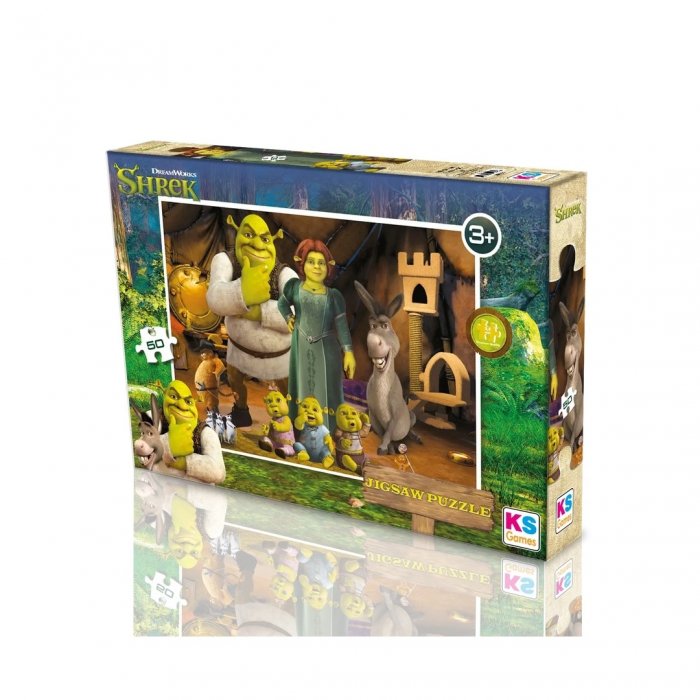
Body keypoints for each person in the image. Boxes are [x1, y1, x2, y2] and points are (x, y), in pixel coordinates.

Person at [278, 240, 355, 431]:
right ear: (302, 264)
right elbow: (282, 303)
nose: (316, 267)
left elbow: (342, 326)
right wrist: (288, 317)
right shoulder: (294, 287)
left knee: (325, 390)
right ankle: (300, 433)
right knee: (301, 387)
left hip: (327, 351)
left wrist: (348, 352)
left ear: (328, 267)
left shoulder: (334, 296)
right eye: (311, 261)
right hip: (301, 346)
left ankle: (326, 434)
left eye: (321, 263)